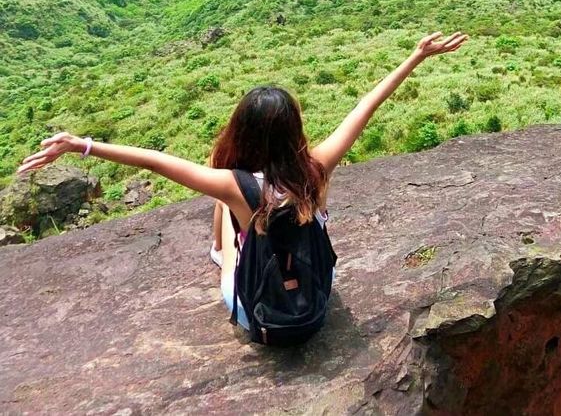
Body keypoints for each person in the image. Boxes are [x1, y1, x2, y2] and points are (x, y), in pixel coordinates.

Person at [17, 30, 468, 330]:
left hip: (258, 315)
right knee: (240, 191)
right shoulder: (317, 166)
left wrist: (82, 145)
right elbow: (365, 109)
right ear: (294, 128)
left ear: (243, 129)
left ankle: (220, 253)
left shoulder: (234, 185)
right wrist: (416, 56)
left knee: (224, 183)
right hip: (314, 305)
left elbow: (155, 161)